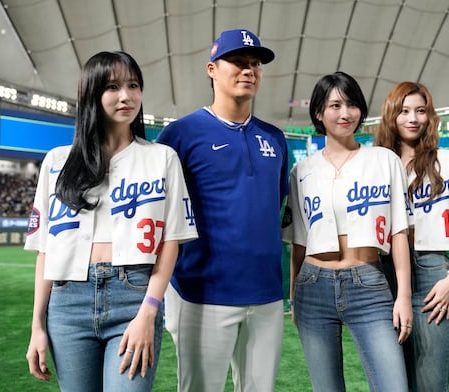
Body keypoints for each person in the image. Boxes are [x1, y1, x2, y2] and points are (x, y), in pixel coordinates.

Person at [24, 51, 198, 391]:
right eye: (113, 86)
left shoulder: (162, 158)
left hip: (133, 295)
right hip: (67, 303)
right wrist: (37, 326)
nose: (126, 96)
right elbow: (46, 249)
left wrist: (148, 311)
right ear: (91, 94)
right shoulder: (57, 162)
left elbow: (171, 242)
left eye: (134, 85)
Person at [155, 29, 288, 392]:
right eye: (238, 62)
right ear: (212, 69)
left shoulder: (275, 138)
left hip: (266, 294)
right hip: (203, 293)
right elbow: (162, 215)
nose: (249, 70)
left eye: (255, 64)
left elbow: (272, 207)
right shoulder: (179, 135)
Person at [284, 71, 412, 392]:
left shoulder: (384, 160)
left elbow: (399, 234)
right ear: (318, 113)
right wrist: (293, 296)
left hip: (368, 284)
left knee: (393, 386)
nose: (345, 114)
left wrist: (404, 297)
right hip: (313, 286)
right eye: (335, 105)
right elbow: (299, 243)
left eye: (352, 104)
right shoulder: (302, 170)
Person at [374, 81, 449, 391]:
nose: (413, 118)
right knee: (394, 381)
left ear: (430, 117)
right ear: (391, 115)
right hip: (385, 273)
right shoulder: (376, 164)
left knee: (431, 383)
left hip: (434, 274)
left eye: (420, 110)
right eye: (404, 111)